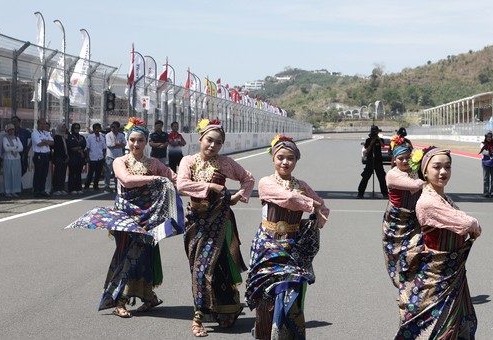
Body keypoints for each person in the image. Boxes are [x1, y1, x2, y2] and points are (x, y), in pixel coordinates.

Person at [68, 117, 181, 318]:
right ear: (127, 141)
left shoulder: (154, 163)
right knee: (124, 255)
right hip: (125, 217)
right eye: (132, 140)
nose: (136, 144)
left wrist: (190, 184)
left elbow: (174, 178)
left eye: (140, 140)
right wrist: (156, 178)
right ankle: (119, 300)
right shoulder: (120, 161)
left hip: (149, 217)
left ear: (146, 142)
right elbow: (127, 181)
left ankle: (149, 297)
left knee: (145, 256)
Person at [245, 135, 329, 340]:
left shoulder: (302, 185)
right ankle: (265, 333)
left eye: (290, 158)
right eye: (280, 157)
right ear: (273, 158)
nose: (285, 162)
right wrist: (313, 205)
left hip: (293, 247)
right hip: (267, 244)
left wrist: (318, 218)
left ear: (296, 160)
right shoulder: (266, 182)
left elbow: (323, 206)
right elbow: (288, 198)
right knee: (266, 294)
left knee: (292, 290)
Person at [177, 118, 255, 337]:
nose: (213, 145)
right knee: (198, 267)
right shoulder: (188, 161)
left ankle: (204, 315)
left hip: (220, 221)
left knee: (216, 266)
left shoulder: (225, 163)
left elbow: (248, 179)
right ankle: (212, 309)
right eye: (209, 140)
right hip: (195, 222)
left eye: (218, 142)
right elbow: (182, 185)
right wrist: (211, 185)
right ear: (200, 138)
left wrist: (240, 196)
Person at [397, 148, 481, 339]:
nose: (443, 172)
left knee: (459, 321)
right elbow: (467, 224)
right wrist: (474, 225)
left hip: (454, 271)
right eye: (437, 167)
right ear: (425, 171)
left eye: (447, 167)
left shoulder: (443, 198)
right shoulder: (428, 202)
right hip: (438, 274)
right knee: (438, 325)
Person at [383, 140, 424, 297]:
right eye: (401, 158)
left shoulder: (413, 171)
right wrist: (426, 178)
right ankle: (402, 285)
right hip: (396, 220)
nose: (405, 161)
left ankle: (414, 285)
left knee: (416, 250)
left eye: (408, 158)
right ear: (394, 160)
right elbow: (415, 186)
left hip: (414, 218)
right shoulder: (392, 174)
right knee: (396, 254)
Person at [358, 125, 387, 199]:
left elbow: (383, 145)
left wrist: (378, 139)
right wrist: (371, 143)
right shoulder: (368, 140)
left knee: (381, 178)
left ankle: (385, 194)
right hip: (370, 160)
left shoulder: (380, 139)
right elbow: (366, 150)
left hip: (378, 161)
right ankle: (360, 193)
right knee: (365, 177)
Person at [30, 119, 54, 197]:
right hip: (39, 155)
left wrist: (45, 141)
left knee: (44, 173)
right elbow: (39, 144)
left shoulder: (46, 133)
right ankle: (36, 190)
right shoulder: (34, 133)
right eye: (41, 124)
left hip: (46, 155)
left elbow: (52, 142)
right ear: (38, 124)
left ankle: (42, 189)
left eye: (44, 124)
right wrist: (47, 142)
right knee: (38, 173)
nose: (43, 125)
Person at [0, 123, 23, 197]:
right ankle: (7, 191)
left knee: (16, 175)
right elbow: (6, 149)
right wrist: (15, 148)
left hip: (16, 159)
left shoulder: (17, 138)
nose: (11, 131)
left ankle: (14, 191)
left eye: (13, 129)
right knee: (8, 175)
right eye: (10, 129)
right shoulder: (5, 138)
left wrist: (12, 148)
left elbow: (21, 148)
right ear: (7, 130)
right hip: (8, 159)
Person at [105, 121, 127, 192]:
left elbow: (124, 143)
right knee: (108, 172)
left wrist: (116, 144)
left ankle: (117, 186)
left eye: (114, 127)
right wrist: (118, 144)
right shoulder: (108, 135)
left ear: (118, 128)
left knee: (117, 173)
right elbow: (109, 145)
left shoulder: (121, 135)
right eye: (111, 127)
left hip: (119, 157)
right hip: (110, 156)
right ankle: (107, 186)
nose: (112, 128)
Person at [66, 123, 87, 194]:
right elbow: (70, 146)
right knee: (72, 173)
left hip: (80, 157)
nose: (77, 129)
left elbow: (84, 145)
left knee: (78, 173)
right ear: (72, 128)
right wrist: (78, 148)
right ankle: (71, 188)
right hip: (72, 157)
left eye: (78, 128)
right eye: (75, 128)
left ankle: (78, 188)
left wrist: (78, 148)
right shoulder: (70, 136)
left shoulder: (81, 137)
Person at [85, 123, 107, 190]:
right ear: (93, 129)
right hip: (92, 157)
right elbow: (88, 148)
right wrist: (87, 157)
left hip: (100, 157)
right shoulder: (90, 137)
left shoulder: (102, 137)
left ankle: (95, 186)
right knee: (90, 173)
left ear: (100, 129)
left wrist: (103, 156)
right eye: (95, 128)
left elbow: (104, 148)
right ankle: (87, 186)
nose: (97, 130)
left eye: (98, 128)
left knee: (98, 173)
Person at [51, 123, 69, 196]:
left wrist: (67, 156)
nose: (64, 129)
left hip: (64, 157)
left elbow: (66, 148)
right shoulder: (57, 137)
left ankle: (61, 188)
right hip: (58, 157)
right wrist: (64, 156)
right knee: (58, 173)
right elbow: (58, 149)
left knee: (63, 173)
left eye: (65, 127)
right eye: (62, 127)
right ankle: (56, 189)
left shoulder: (64, 137)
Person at [478, 132, 493, 198]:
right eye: (488, 137)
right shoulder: (482, 143)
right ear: (486, 137)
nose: (489, 138)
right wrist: (490, 153)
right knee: (486, 178)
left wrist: (490, 153)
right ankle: (486, 192)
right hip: (485, 163)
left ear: (492, 137)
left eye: (490, 137)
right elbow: (483, 152)